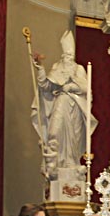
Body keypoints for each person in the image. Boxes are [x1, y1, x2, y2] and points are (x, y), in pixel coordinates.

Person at [31, 31, 96, 178]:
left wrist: (72, 87)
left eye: (71, 55)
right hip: (61, 102)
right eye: (67, 55)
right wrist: (40, 69)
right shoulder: (57, 67)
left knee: (74, 140)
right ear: (62, 56)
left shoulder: (79, 69)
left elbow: (87, 89)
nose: (69, 58)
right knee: (54, 132)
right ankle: (53, 165)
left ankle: (71, 164)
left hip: (76, 107)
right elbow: (46, 86)